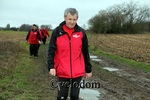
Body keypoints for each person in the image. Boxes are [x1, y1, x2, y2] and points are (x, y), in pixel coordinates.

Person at [47, 8, 92, 100]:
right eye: (70, 19)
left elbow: (85, 52)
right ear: (65, 18)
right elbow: (51, 51)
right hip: (62, 70)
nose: (72, 22)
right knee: (62, 96)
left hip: (77, 71)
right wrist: (51, 66)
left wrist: (88, 69)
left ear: (77, 19)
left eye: (74, 19)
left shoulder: (81, 33)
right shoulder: (57, 32)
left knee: (74, 96)